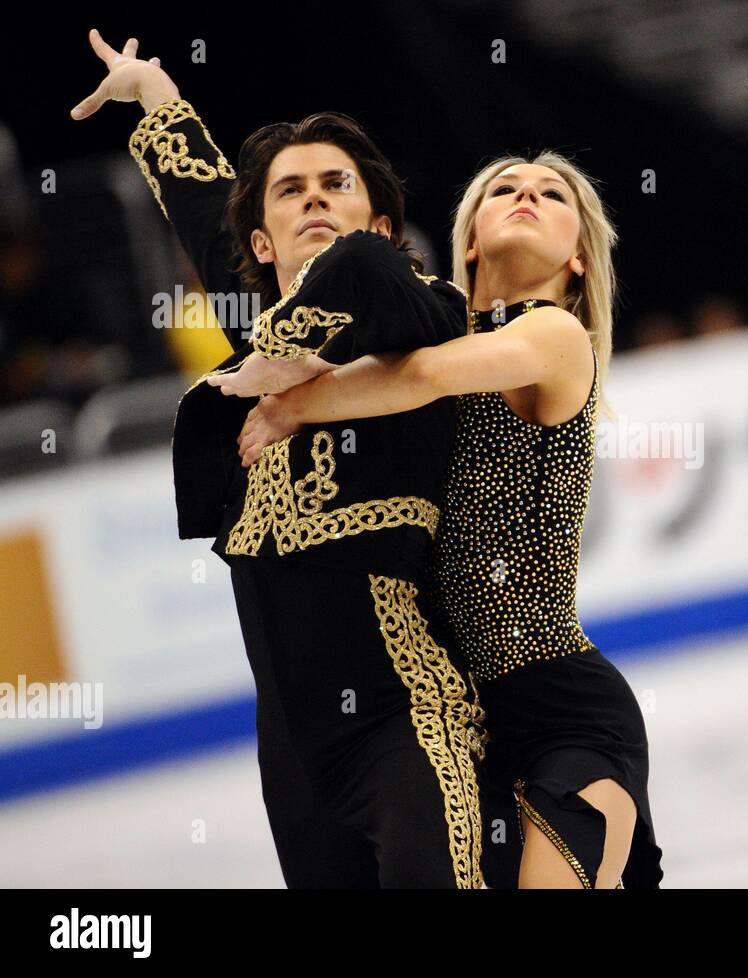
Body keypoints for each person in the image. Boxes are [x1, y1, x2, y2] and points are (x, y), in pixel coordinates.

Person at [70, 30, 486, 888]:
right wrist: (154, 96)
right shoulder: (251, 321)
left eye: (338, 184)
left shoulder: (430, 312)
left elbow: (365, 271)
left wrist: (279, 360)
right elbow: (197, 200)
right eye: (290, 193)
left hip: (411, 723)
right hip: (293, 758)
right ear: (260, 246)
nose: (314, 200)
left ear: (379, 216)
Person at [226, 155, 666, 889]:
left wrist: (293, 400)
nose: (525, 194)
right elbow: (285, 264)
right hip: (465, 724)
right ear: (467, 242)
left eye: (551, 195)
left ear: (580, 257)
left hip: (568, 713)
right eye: (503, 189)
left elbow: (426, 376)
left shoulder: (554, 336)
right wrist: (158, 104)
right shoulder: (426, 337)